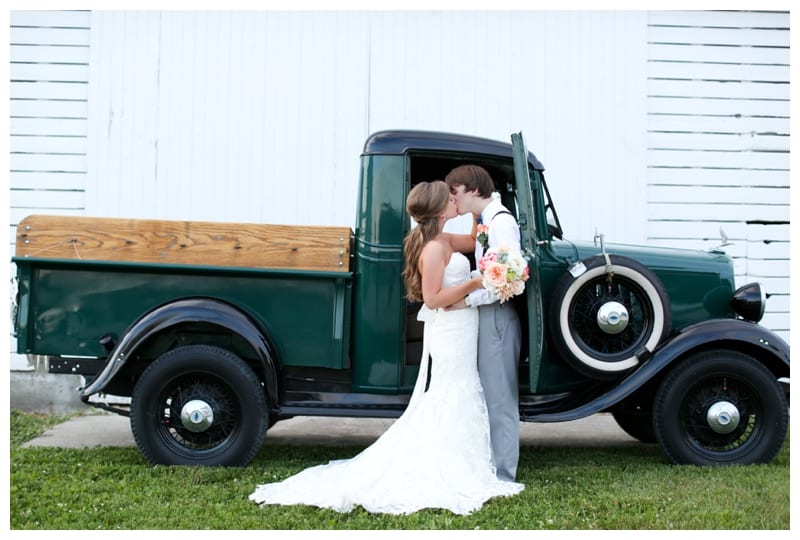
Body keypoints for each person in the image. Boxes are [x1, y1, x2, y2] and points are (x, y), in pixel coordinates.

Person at [248, 180, 524, 515]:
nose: (454, 201)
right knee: (453, 389)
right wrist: (476, 282)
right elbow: (434, 299)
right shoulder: (434, 249)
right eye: (450, 199)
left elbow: (471, 241)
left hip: (465, 326)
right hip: (451, 327)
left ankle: (467, 457)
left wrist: (479, 214)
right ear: (438, 209)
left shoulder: (442, 238)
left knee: (465, 389)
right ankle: (449, 463)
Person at [445, 165, 523, 483]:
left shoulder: (501, 222)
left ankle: (504, 474)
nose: (453, 199)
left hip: (497, 316)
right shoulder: (485, 221)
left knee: (500, 396)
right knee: (488, 393)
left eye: (456, 192)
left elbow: (508, 277)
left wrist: (464, 300)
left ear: (474, 190)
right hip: (486, 314)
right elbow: (485, 269)